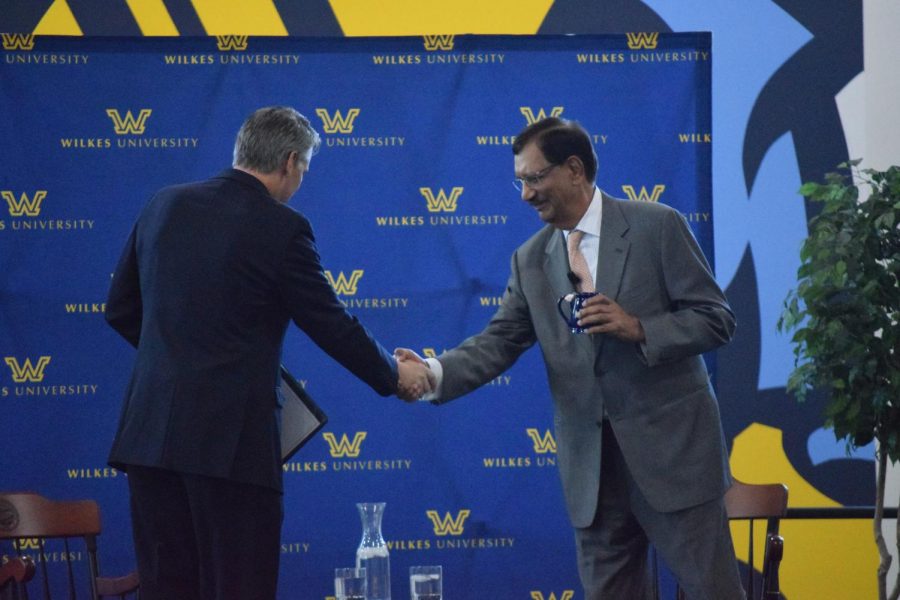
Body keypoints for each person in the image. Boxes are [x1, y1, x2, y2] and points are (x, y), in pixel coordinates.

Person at [396, 117, 744, 599]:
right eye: (519, 181)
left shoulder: (657, 225)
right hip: (593, 479)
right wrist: (431, 372)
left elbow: (716, 318)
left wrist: (639, 327)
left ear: (574, 169)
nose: (525, 194)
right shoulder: (530, 260)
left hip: (674, 462)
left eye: (535, 178)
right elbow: (498, 341)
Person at [105, 106, 434, 600]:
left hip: (148, 441)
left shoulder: (162, 205)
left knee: (167, 590)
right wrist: (395, 375)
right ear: (289, 162)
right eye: (304, 169)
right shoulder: (282, 228)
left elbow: (120, 309)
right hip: (229, 445)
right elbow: (330, 324)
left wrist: (183, 358)